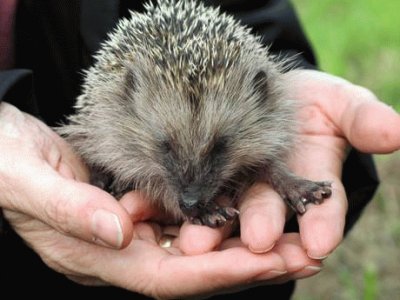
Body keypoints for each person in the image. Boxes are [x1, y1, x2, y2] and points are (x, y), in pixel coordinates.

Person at [0, 0, 399, 299]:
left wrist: (286, 180)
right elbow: (162, 182)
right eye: (167, 149)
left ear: (261, 100)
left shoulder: (261, 112)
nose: (190, 188)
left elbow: (250, 21)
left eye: (219, 148)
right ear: (130, 103)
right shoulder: (117, 122)